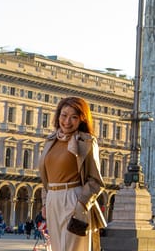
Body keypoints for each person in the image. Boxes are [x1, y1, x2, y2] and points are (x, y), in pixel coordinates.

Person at [38, 96, 107, 251]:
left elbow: (96, 181)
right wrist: (44, 203)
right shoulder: (51, 140)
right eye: (64, 115)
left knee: (72, 248)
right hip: (52, 199)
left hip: (73, 198)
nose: (67, 121)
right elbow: (46, 177)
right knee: (57, 248)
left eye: (74, 117)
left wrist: (81, 205)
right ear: (58, 116)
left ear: (82, 119)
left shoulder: (86, 142)